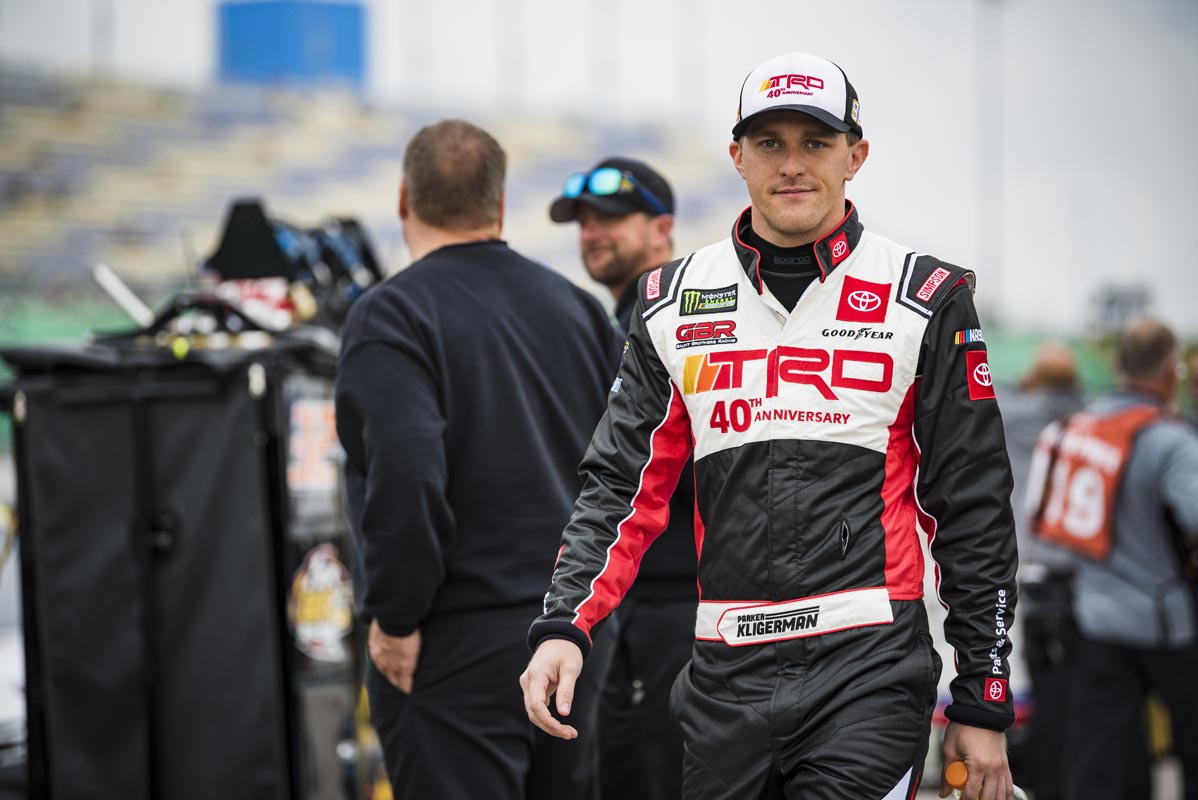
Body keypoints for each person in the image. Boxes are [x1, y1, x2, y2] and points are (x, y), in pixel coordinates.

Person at [520, 52, 1020, 800]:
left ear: (855, 156)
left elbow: (972, 509)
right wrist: (565, 624)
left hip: (868, 670)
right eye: (769, 143)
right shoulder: (669, 300)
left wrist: (982, 696)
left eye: (815, 142)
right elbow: (620, 487)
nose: (792, 165)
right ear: (738, 157)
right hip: (723, 678)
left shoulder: (925, 295)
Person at [335, 119, 623, 799]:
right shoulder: (582, 312)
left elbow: (407, 475)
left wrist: (396, 618)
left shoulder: (391, 314)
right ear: (499, 204)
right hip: (574, 633)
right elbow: (625, 472)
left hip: (454, 640)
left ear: (404, 200)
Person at [550, 157, 696, 800]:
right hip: (617, 606)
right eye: (584, 221)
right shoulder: (608, 326)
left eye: (610, 218)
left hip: (683, 609)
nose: (592, 233)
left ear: (662, 227)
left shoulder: (689, 320)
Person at [1028, 318, 1198, 800]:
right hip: (1165, 621)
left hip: (1089, 617)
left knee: (1100, 758)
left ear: (1117, 366)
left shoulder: (1065, 432)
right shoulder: (1170, 440)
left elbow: (1038, 518)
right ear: (1170, 371)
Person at [997, 342, 1085, 800]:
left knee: (1016, 669)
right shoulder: (1088, 419)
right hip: (1077, 567)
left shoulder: (1011, 414)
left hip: (1019, 557)